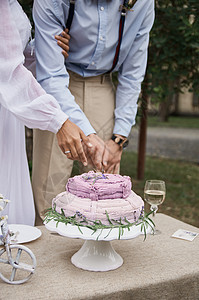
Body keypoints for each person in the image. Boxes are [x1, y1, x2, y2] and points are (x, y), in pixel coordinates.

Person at [32, 0, 155, 224]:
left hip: (103, 85)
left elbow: (133, 73)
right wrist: (88, 136)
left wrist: (119, 138)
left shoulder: (143, 2)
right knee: (48, 189)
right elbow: (50, 75)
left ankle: (97, 253)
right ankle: (47, 252)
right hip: (59, 83)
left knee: (106, 193)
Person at [0, 0, 92, 226]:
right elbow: (8, 73)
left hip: (9, 112)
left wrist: (46, 50)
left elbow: (15, 59)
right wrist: (59, 121)